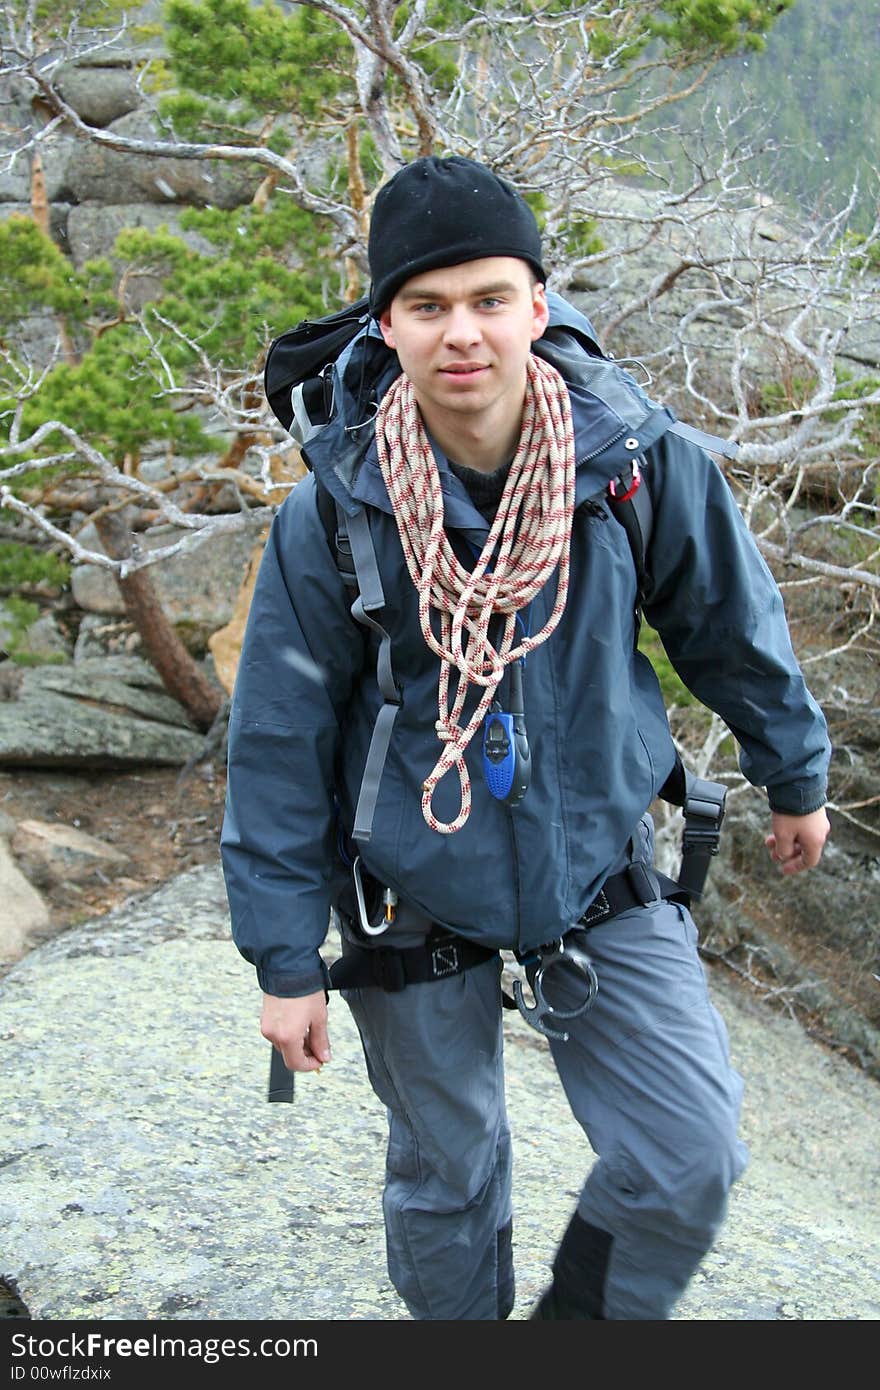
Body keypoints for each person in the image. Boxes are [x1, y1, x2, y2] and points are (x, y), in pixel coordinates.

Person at [221, 155, 831, 1320]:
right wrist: (284, 958)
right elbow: (281, 733)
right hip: (408, 885)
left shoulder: (630, 465)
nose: (464, 333)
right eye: (428, 305)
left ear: (537, 307)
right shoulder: (341, 507)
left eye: (491, 298)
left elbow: (728, 626)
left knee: (688, 1154)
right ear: (385, 323)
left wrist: (792, 772)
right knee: (447, 1182)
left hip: (594, 861)